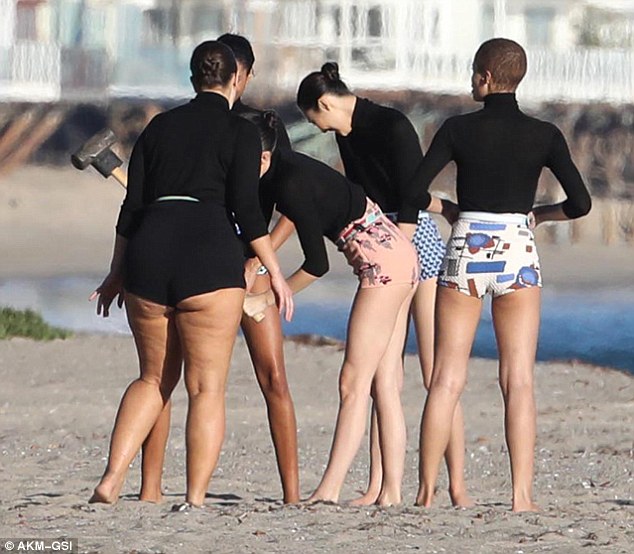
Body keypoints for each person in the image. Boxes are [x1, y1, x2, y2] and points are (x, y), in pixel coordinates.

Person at [89, 40, 293, 509]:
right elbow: (247, 210)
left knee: (152, 379)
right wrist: (277, 273)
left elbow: (132, 207)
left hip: (149, 255)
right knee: (206, 388)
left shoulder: (158, 127)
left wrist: (117, 272)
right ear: (236, 79)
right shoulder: (241, 132)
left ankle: (111, 480)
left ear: (192, 77)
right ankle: (195, 497)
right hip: (209, 259)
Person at [412, 38, 591, 512]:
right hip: (517, 248)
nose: (471, 80)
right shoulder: (545, 134)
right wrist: (541, 216)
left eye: (474, 72)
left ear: (486, 77)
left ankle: (426, 494)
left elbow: (410, 190)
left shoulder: (456, 128)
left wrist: (449, 209)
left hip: (467, 245)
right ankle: (521, 497)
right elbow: (580, 204)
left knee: (446, 379)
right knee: (519, 380)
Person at [296, 64, 471, 507]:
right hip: (381, 239)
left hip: (412, 241)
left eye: (314, 119)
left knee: (435, 372)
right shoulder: (346, 133)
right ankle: (379, 486)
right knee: (382, 373)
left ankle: (455, 486)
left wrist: (402, 244)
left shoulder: (392, 124)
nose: (316, 128)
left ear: (326, 104)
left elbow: (412, 193)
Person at [243, 109, 418, 506]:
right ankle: (390, 492)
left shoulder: (290, 183)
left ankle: (330, 489)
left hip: (383, 266)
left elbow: (317, 264)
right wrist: (254, 264)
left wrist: (268, 297)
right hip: (397, 255)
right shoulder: (282, 169)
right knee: (384, 382)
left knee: (352, 383)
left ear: (264, 157)